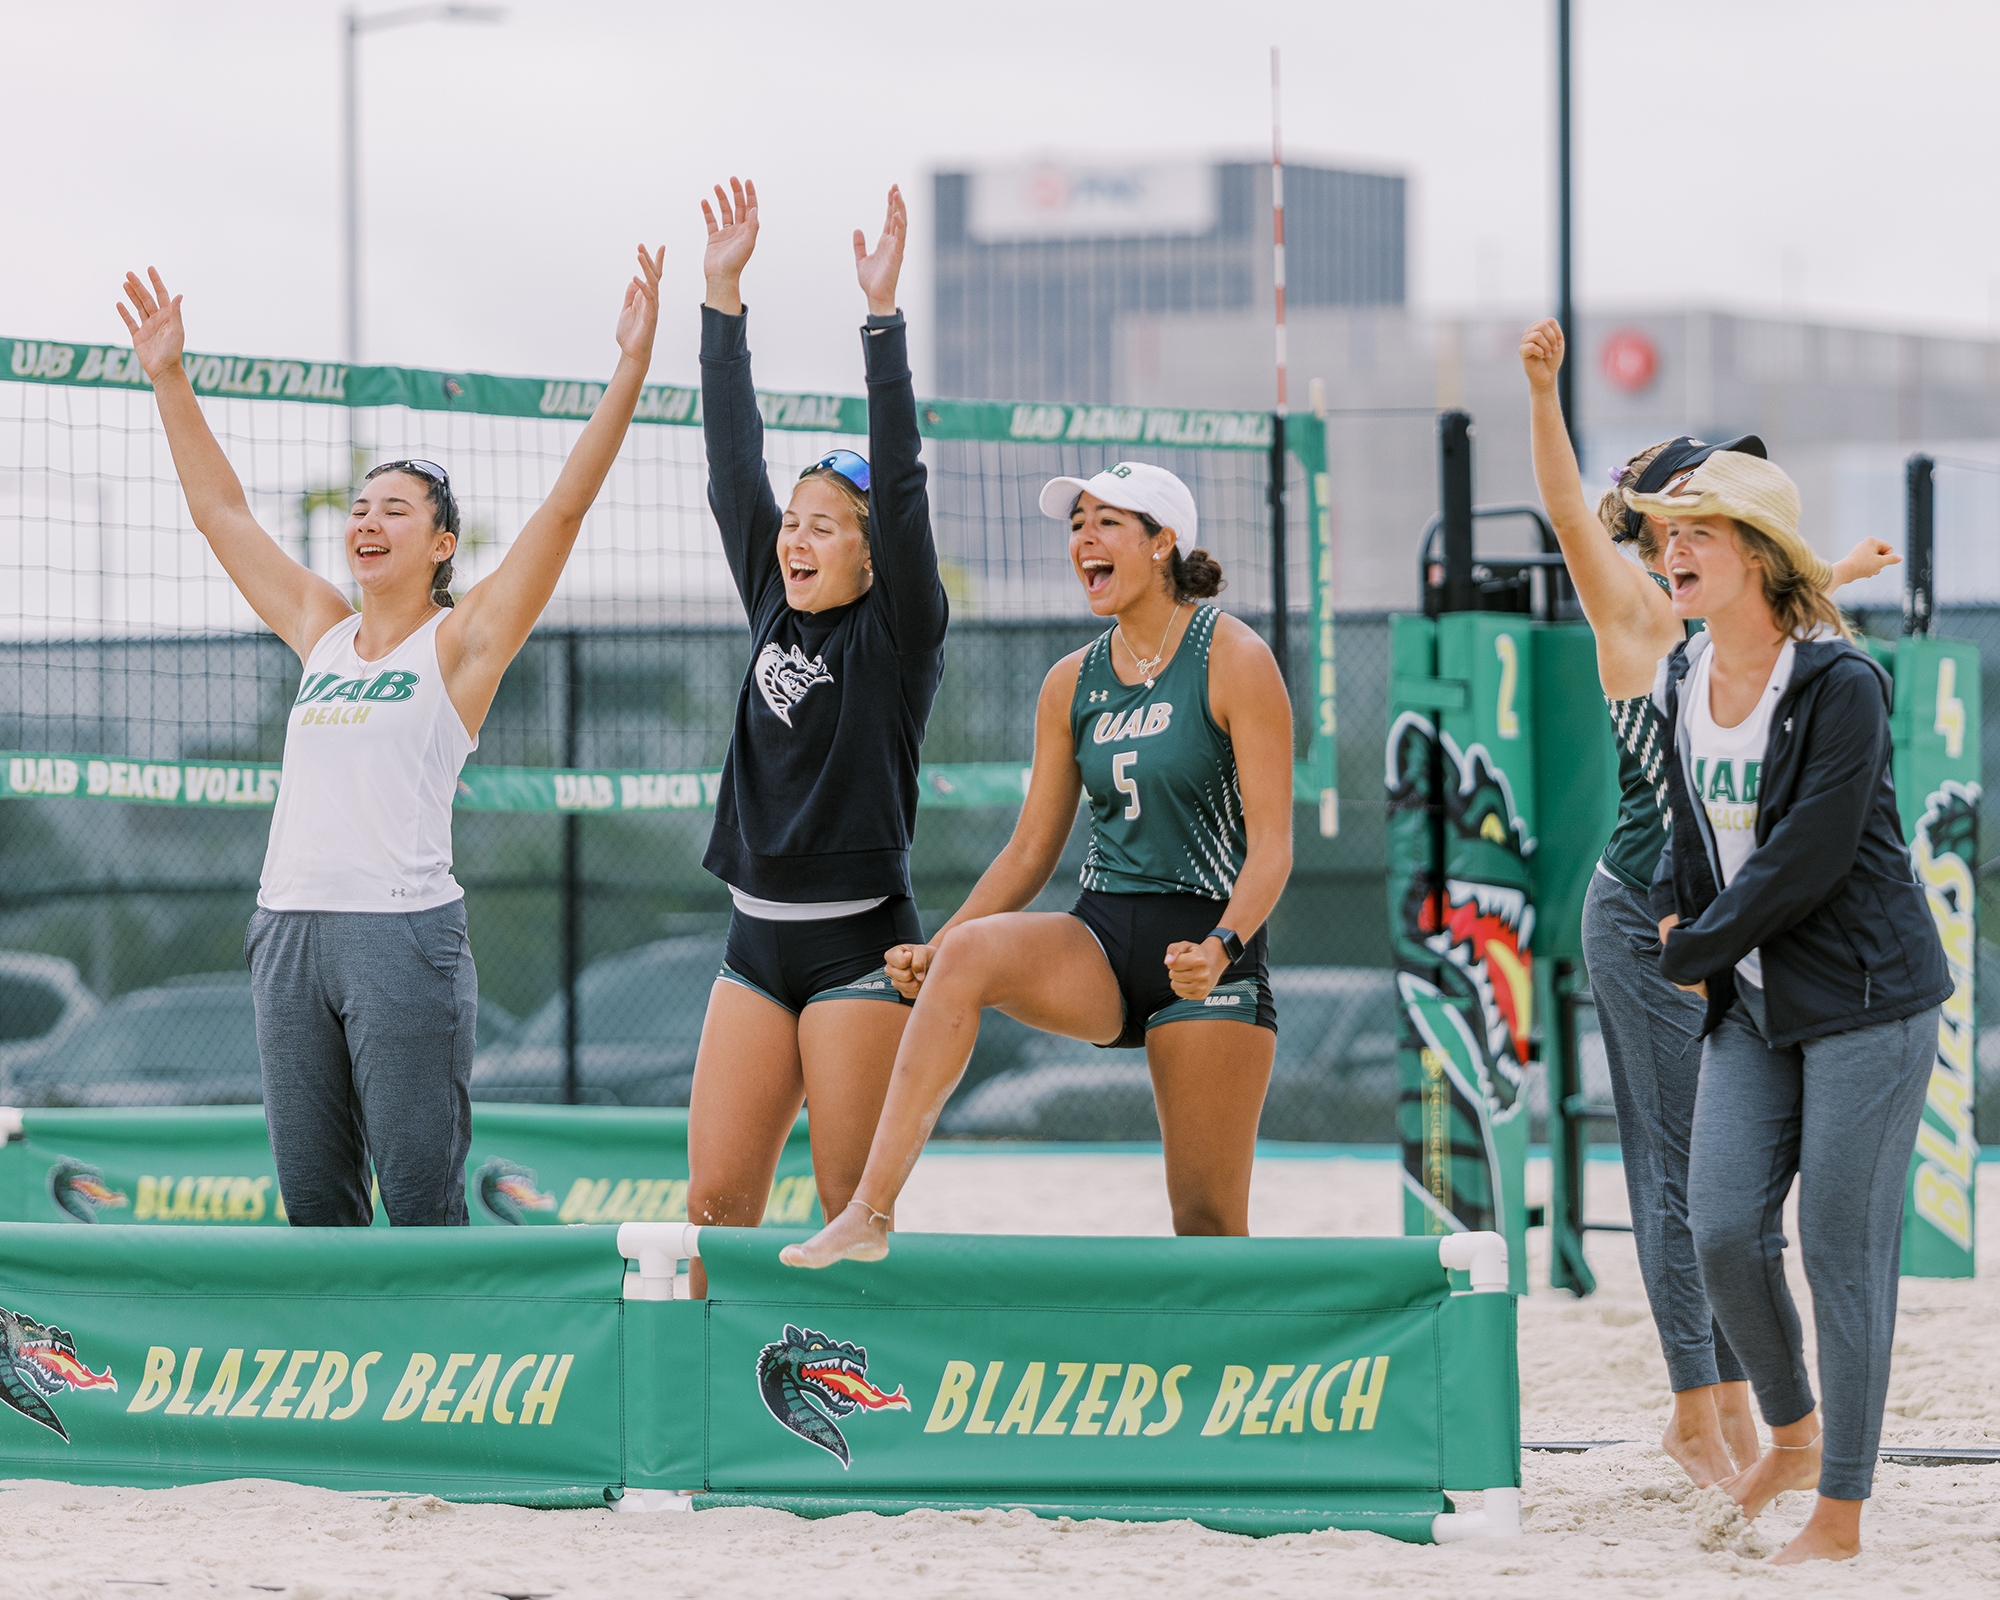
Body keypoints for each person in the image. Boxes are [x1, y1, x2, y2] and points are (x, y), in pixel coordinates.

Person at [116, 249, 663, 1225]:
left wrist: (626, 369)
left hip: (401, 936)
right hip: (287, 929)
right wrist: (169, 377)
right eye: (359, 508)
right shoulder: (320, 624)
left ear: (441, 544)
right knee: (315, 1208)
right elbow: (219, 512)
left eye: (394, 510)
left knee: (417, 1199)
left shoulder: (461, 644)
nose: (366, 521)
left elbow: (565, 510)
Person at [1520, 319, 1897, 1487]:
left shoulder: (1724, 621)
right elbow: (1568, 513)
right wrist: (1541, 394)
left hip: (1730, 921)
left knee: (1723, 1187)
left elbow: (1754, 603)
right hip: (1647, 916)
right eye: (1687, 506)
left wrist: (1836, 572)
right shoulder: (1630, 608)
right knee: (1681, 1174)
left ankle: (1732, 1402)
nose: (1704, 532)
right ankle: (1698, 1402)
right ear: (1656, 513)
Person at [779, 460, 1294, 1269]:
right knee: (970, 956)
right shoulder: (1071, 681)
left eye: (1107, 522)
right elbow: (1028, 851)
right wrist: (942, 941)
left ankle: (1240, 1376)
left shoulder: (1231, 655)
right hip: (1102, 939)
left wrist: (1223, 946)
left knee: (1207, 1222)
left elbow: (1273, 847)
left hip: (1205, 953)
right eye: (1077, 523)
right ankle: (868, 1213)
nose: (1084, 538)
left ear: (1162, 544)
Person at [1635, 450, 1948, 1564]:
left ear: (1756, 557)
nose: (1670, 553)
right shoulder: (1680, 676)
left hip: (1865, 997)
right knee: (1719, 1231)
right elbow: (1688, 836)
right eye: (1666, 536)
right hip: (1754, 1001)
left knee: (1837, 1251)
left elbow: (1807, 857)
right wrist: (1686, 928)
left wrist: (1694, 948)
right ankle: (1796, 1432)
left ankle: (1839, 1513)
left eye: (1695, 535)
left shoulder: (1838, 682)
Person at [683, 178, 948, 1286]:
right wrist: (722, 293)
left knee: (848, 1215)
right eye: (792, 523)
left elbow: (900, 484)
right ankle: (690, 1428)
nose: (794, 537)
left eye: (823, 525)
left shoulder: (899, 629)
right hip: (755, 943)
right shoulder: (769, 597)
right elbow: (729, 461)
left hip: (857, 950)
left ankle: (867, 1433)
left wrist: (880, 320)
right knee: (714, 1209)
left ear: (869, 549)